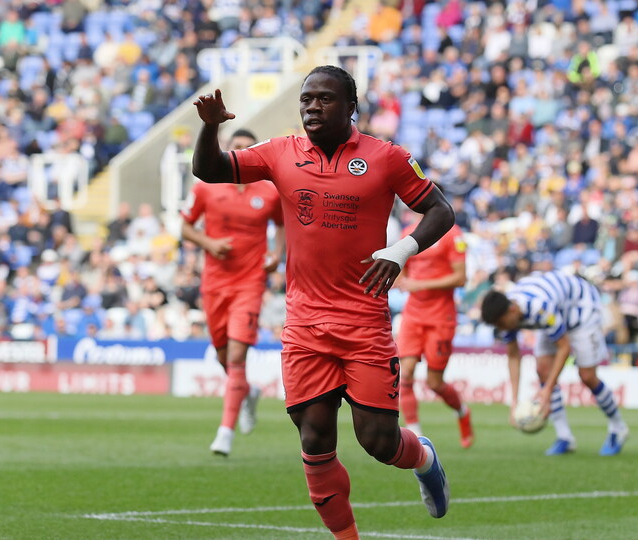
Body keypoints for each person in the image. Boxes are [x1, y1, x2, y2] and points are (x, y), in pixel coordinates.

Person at [192, 65, 455, 539]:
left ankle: (425, 458)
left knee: (377, 441)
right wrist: (211, 126)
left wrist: (401, 250)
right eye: (306, 99)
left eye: (325, 99)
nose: (313, 106)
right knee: (314, 440)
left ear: (351, 106)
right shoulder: (281, 153)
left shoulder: (386, 157)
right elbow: (209, 170)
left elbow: (441, 210)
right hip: (306, 325)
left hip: (365, 323)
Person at [181, 128, 285, 457]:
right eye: (235, 147)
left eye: (246, 148)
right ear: (227, 151)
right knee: (225, 357)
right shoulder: (206, 187)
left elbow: (282, 224)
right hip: (214, 284)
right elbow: (184, 226)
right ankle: (248, 391)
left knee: (237, 357)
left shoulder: (268, 191)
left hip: (250, 282)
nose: (240, 152)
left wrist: (276, 253)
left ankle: (224, 432)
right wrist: (209, 243)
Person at [480, 271, 629, 456]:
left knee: (587, 376)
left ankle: (618, 428)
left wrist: (547, 390)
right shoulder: (507, 315)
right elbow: (513, 356)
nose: (501, 329)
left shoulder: (540, 309)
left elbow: (564, 348)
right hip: (558, 309)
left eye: (501, 323)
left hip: (582, 309)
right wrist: (514, 402)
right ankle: (564, 437)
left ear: (512, 310)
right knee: (542, 369)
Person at [396, 215, 473, 447]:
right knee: (405, 374)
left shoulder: (452, 234)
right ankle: (415, 435)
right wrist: (401, 279)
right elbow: (401, 268)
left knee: (434, 383)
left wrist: (421, 284)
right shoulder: (407, 233)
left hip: (441, 316)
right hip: (413, 315)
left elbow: (461, 278)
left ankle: (462, 412)